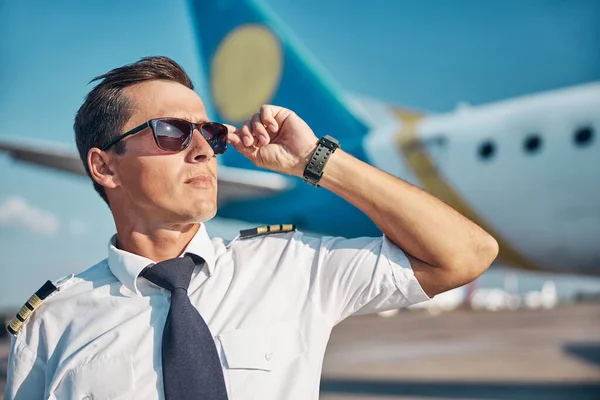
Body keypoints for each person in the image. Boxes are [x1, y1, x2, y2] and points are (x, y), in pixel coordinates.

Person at [4, 56, 498, 400]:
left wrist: (316, 160)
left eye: (210, 134)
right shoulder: (51, 324)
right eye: (171, 132)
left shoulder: (293, 266)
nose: (202, 150)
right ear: (104, 167)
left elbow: (466, 255)